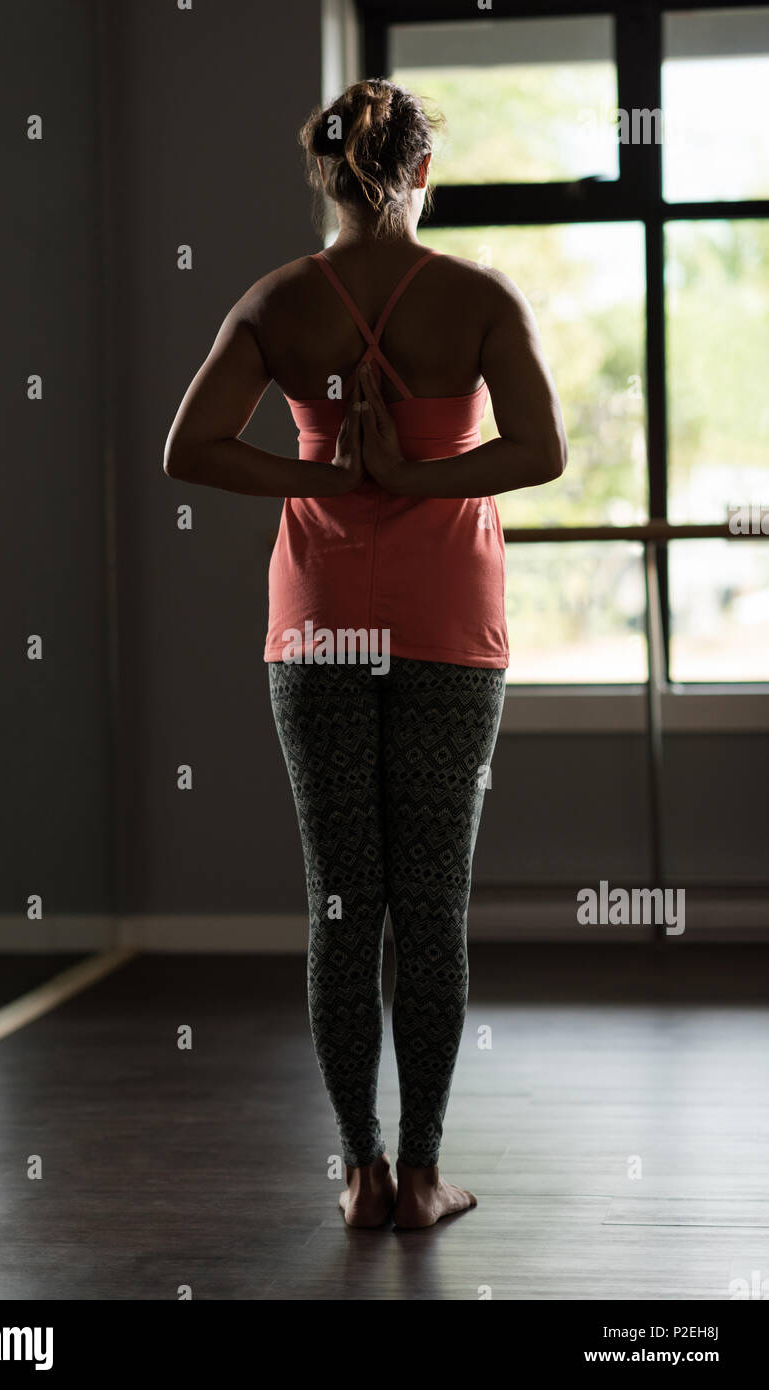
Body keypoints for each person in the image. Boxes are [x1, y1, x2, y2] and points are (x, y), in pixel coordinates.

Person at [164, 78, 567, 1229]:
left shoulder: (280, 301)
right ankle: (425, 1171)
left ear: (325, 173)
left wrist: (325, 473)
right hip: (446, 620)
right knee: (430, 904)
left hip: (320, 620)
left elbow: (188, 449)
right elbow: (540, 452)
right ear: (421, 173)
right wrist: (426, 477)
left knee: (343, 901)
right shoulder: (477, 300)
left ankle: (359, 1171)